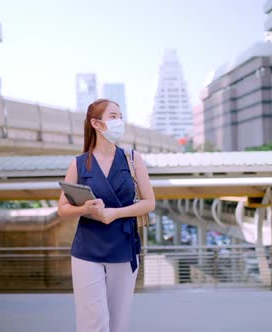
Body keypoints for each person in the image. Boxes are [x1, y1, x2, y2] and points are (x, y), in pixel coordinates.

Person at [57, 98, 155, 332]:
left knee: (117, 323)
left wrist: (115, 213)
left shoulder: (132, 159)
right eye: (113, 116)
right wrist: (85, 209)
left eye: (120, 116)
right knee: (93, 322)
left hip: (124, 247)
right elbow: (62, 208)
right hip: (87, 251)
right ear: (96, 123)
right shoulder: (79, 164)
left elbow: (149, 202)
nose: (119, 121)